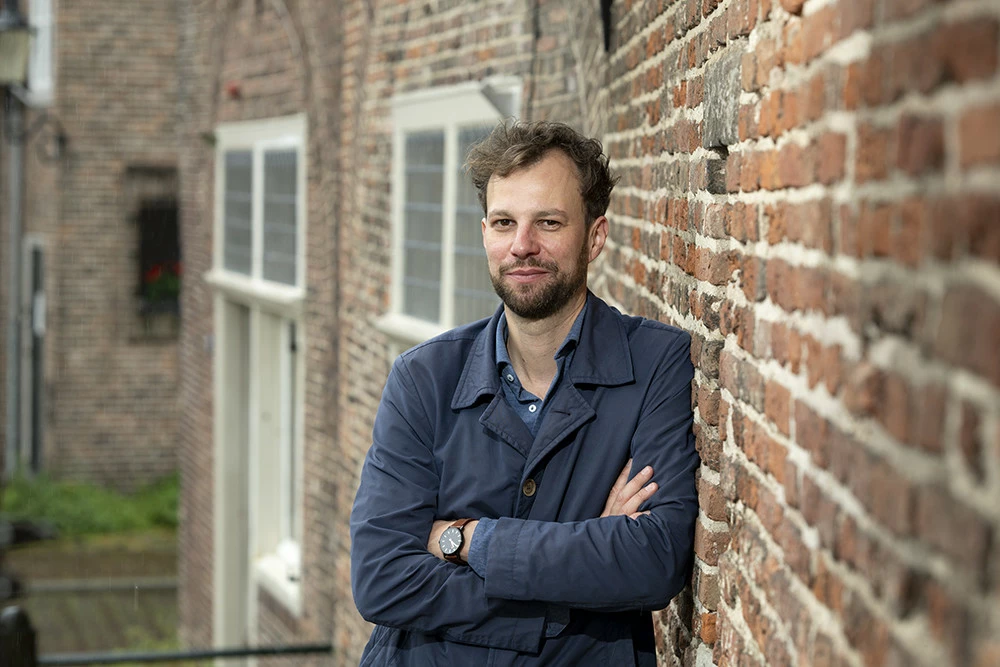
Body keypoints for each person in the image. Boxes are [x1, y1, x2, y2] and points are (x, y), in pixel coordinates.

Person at [350, 120, 699, 666]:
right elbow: (381, 579)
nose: (522, 246)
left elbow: (653, 562)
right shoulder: (422, 378)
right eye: (505, 222)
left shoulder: (653, 365)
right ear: (484, 232)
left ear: (596, 236)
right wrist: (576, 584)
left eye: (549, 222)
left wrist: (469, 541)